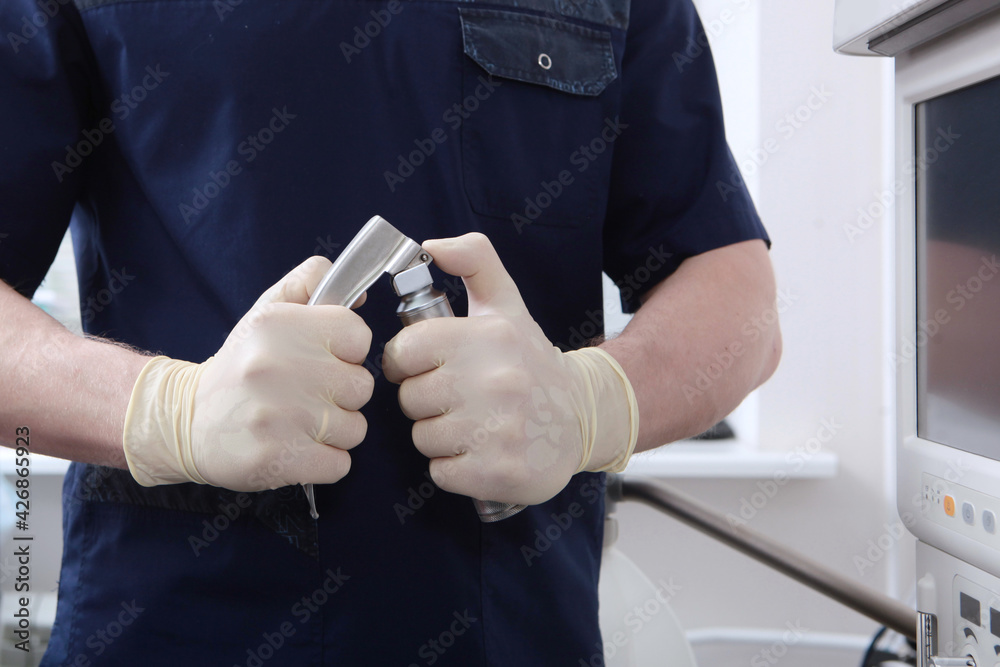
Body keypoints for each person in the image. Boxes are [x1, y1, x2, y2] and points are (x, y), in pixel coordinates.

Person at [0, 0, 781, 662]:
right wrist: (168, 409)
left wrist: (592, 403)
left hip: (514, 632)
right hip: (171, 631)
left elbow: (737, 296)